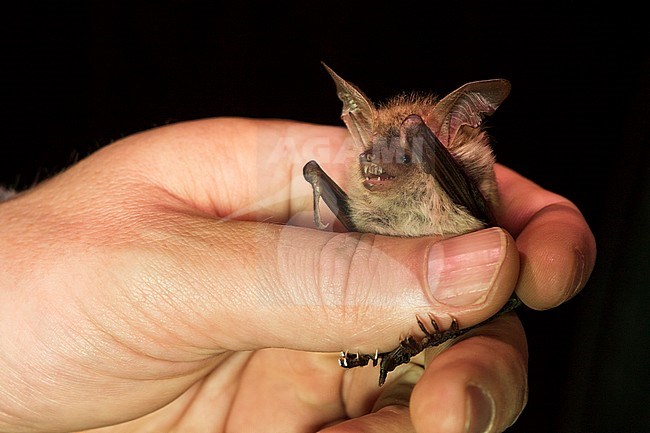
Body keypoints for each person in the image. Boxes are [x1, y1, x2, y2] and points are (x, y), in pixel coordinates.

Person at [0, 118, 595, 433]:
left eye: (390, 160)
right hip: (408, 268)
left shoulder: (439, 179)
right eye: (371, 157)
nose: (374, 168)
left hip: (457, 242)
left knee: (494, 303)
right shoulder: (360, 181)